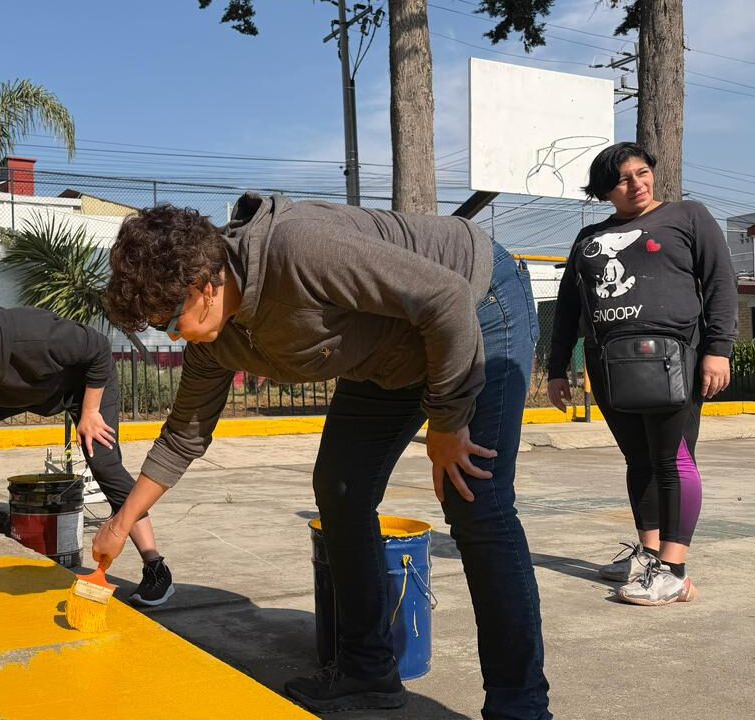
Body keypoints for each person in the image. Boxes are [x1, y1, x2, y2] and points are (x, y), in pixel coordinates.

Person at [96, 194, 550, 718]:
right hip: (391, 351)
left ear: (205, 283)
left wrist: (447, 422)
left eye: (172, 319)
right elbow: (183, 436)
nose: (173, 334)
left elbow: (444, 299)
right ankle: (368, 670)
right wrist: (123, 521)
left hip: (476, 302)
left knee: (477, 500)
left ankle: (520, 705)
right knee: (339, 488)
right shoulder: (215, 342)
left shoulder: (299, 249)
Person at [0, 293, 175, 606]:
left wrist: (91, 412)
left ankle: (155, 567)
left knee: (104, 460)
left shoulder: (34, 335)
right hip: (3, 392)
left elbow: (99, 349)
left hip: (80, 387)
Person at [547, 142, 737, 606]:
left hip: (674, 358)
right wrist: (556, 369)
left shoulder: (689, 216)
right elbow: (569, 308)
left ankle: (673, 571)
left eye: (642, 172)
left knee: (673, 459)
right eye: (623, 179)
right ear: (604, 191)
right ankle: (649, 555)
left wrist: (718, 350)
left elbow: (720, 283)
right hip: (609, 362)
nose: (637, 184)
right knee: (638, 460)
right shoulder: (588, 238)